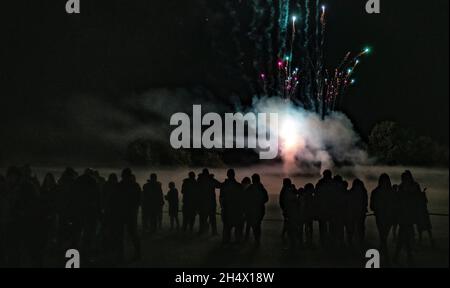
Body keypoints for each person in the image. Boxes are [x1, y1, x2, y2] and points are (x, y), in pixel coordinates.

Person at [71, 168, 101, 260]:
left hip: (79, 211)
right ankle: (85, 254)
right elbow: (97, 198)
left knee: (77, 232)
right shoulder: (94, 182)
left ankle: (75, 252)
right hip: (90, 212)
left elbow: (73, 196)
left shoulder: (78, 181)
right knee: (88, 234)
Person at [394, 171, 421, 265]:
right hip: (405, 216)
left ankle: (399, 256)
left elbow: (416, 199)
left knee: (404, 236)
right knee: (406, 236)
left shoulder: (405, 187)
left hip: (407, 216)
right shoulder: (403, 187)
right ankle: (407, 256)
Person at [370, 173, 395, 261]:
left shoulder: (376, 192)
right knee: (383, 236)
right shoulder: (391, 192)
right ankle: (386, 256)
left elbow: (372, 206)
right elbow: (372, 206)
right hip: (384, 217)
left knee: (383, 236)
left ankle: (382, 253)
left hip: (384, 217)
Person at [118, 169, 141, 261]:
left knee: (121, 234)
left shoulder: (120, 185)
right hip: (131, 213)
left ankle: (121, 255)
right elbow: (139, 200)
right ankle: (137, 253)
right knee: (133, 234)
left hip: (122, 212)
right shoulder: (135, 185)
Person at [220, 169, 244, 244]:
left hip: (227, 210)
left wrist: (223, 207)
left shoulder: (224, 186)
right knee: (237, 228)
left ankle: (226, 243)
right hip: (236, 210)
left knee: (227, 228)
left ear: (227, 175)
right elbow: (242, 199)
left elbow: (221, 198)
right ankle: (237, 243)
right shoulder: (239, 186)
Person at [245, 174, 269, 246]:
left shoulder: (251, 188)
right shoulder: (261, 188)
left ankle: (256, 239)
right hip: (259, 209)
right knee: (257, 225)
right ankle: (257, 239)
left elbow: (245, 198)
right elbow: (266, 199)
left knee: (255, 225)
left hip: (253, 210)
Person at [197, 169, 221, 235]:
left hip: (203, 202)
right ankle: (214, 232)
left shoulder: (200, 180)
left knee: (203, 218)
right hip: (210, 203)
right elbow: (219, 185)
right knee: (212, 218)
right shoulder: (211, 180)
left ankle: (202, 231)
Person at [345, 178, 368, 246]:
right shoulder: (363, 191)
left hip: (353, 212)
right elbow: (365, 202)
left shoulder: (351, 192)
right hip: (361, 212)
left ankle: (350, 241)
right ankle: (361, 240)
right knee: (360, 227)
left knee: (352, 227)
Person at [280, 179, 301, 249]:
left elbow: (282, 201)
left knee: (290, 228)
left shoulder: (285, 191)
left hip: (289, 212)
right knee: (292, 227)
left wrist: (284, 210)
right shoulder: (291, 190)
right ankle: (294, 243)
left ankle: (292, 244)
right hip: (292, 212)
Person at [315, 170, 334, 247]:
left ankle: (323, 240)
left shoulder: (320, 183)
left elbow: (316, 194)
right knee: (331, 225)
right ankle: (331, 240)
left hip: (322, 207)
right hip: (331, 208)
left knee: (322, 226)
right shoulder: (333, 183)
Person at [241, 177, 252, 241]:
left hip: (243, 209)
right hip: (248, 209)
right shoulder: (251, 190)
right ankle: (246, 236)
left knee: (242, 223)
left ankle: (242, 236)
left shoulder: (241, 189)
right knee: (248, 224)